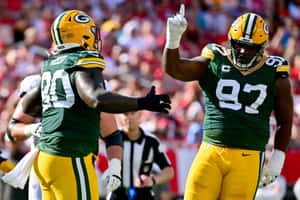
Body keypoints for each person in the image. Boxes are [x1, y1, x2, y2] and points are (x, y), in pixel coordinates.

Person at [20, 10, 171, 200]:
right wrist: (142, 103)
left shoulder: (52, 65)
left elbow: (28, 106)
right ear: (82, 34)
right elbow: (96, 98)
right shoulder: (83, 60)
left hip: (45, 158)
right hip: (71, 156)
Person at [163, 5, 293, 200]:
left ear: (262, 46)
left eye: (249, 47)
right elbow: (175, 70)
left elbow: (285, 119)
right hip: (211, 151)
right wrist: (173, 40)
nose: (242, 50)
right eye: (238, 43)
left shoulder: (274, 72)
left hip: (248, 156)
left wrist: (277, 159)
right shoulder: (215, 58)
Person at [106, 111, 174, 200]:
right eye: (125, 114)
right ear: (119, 117)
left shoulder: (152, 142)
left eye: (133, 113)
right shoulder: (112, 139)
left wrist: (152, 180)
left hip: (144, 195)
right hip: (117, 194)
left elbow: (169, 171)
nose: (129, 117)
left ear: (140, 115)